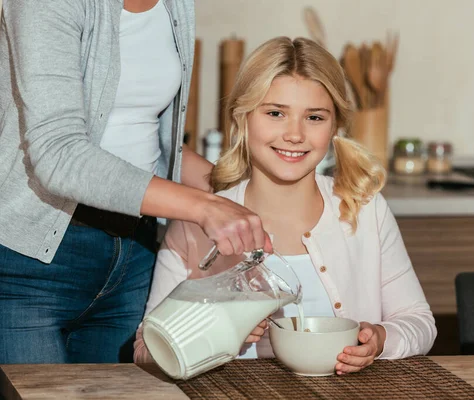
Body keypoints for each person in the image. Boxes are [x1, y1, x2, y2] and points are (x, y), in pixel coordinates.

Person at [133, 36, 437, 374]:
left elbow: (419, 323)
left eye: (314, 118)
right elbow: (147, 348)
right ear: (242, 118)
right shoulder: (199, 222)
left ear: (334, 125)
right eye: (276, 113)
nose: (294, 134)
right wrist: (217, 335)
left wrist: (381, 338)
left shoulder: (364, 210)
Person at [0, 1, 271, 364]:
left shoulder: (176, 5)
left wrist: (237, 196)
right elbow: (58, 152)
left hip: (134, 257)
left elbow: (149, 144)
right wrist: (205, 207)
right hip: (34, 263)